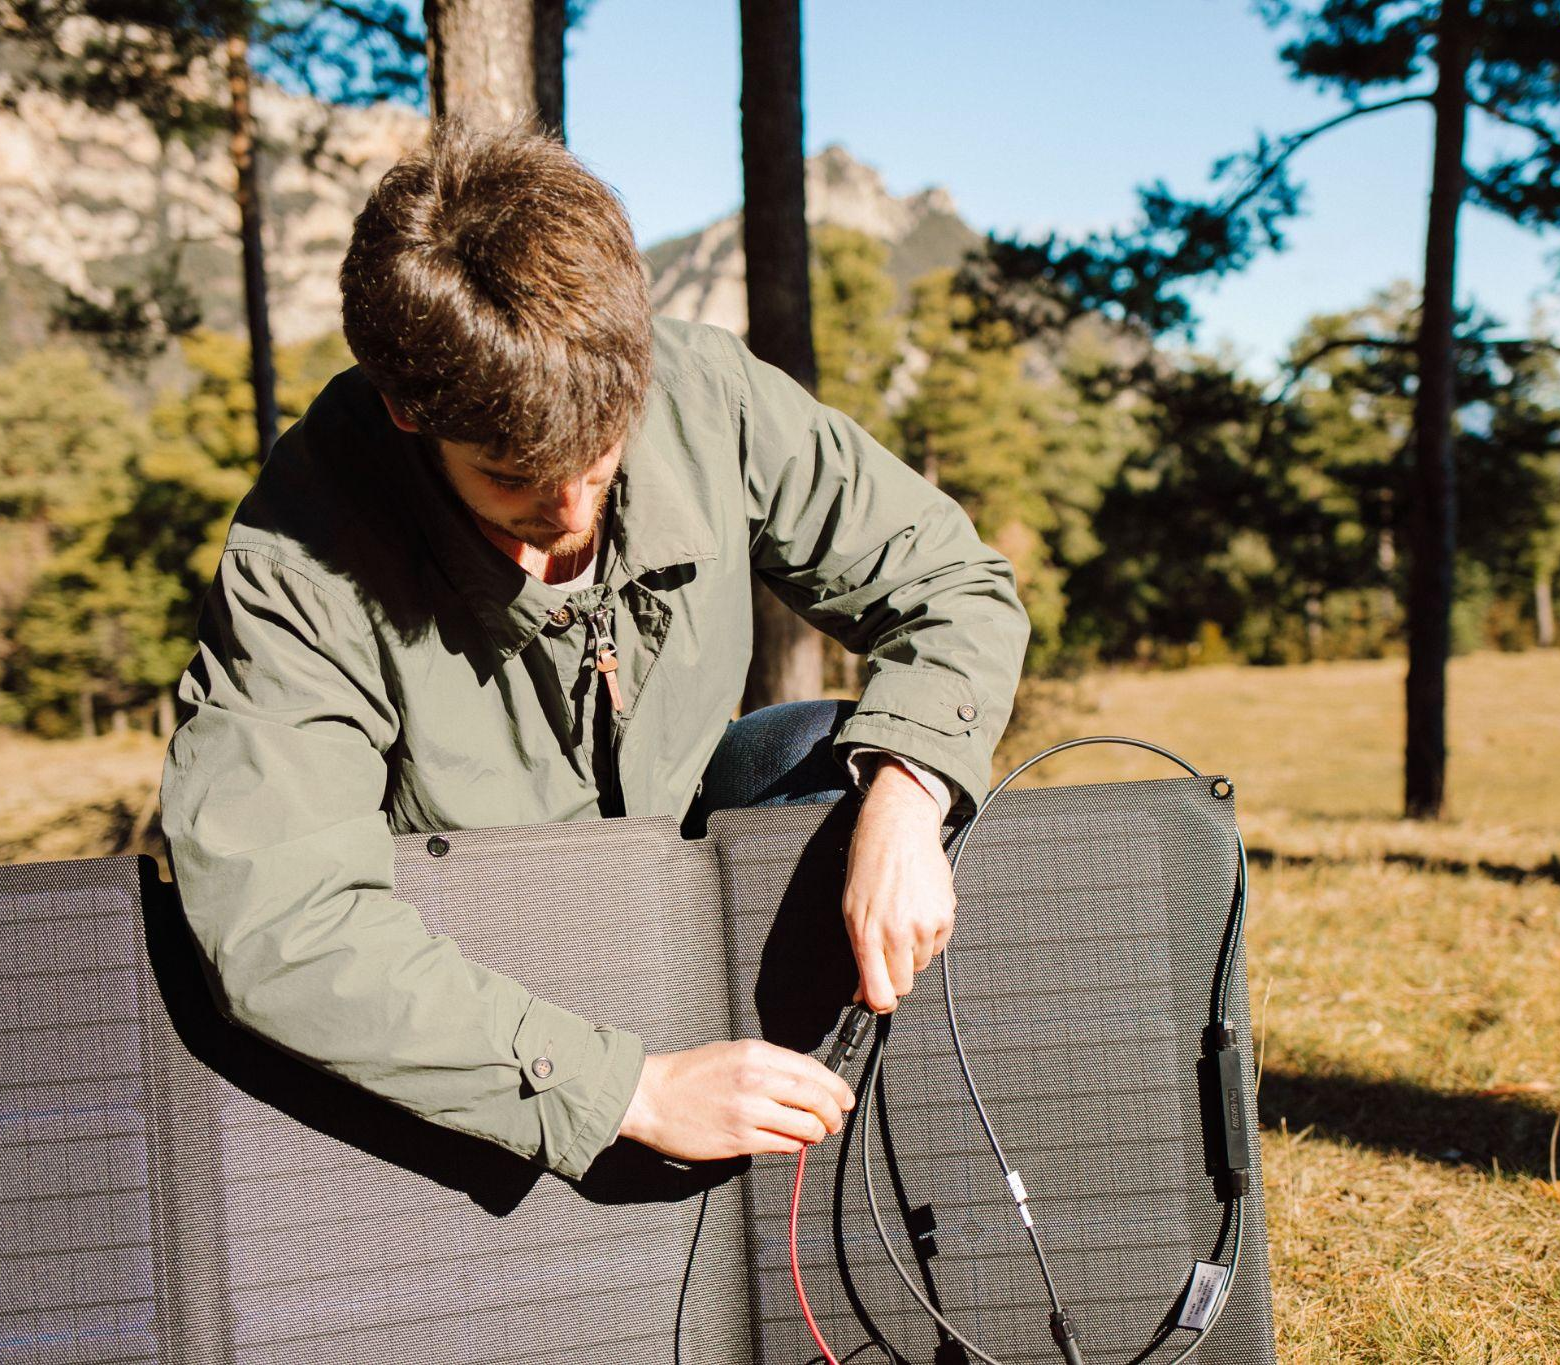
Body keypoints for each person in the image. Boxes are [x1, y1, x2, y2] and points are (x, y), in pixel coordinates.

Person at [157, 118, 1030, 1186]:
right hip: (474, 972)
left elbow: (951, 585)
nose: (566, 514)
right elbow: (278, 916)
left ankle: (835, 1155)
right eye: (513, 480)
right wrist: (631, 1092)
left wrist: (906, 791)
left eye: (600, 460)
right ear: (406, 413)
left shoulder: (706, 394)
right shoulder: (304, 546)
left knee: (825, 747)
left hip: (680, 886)